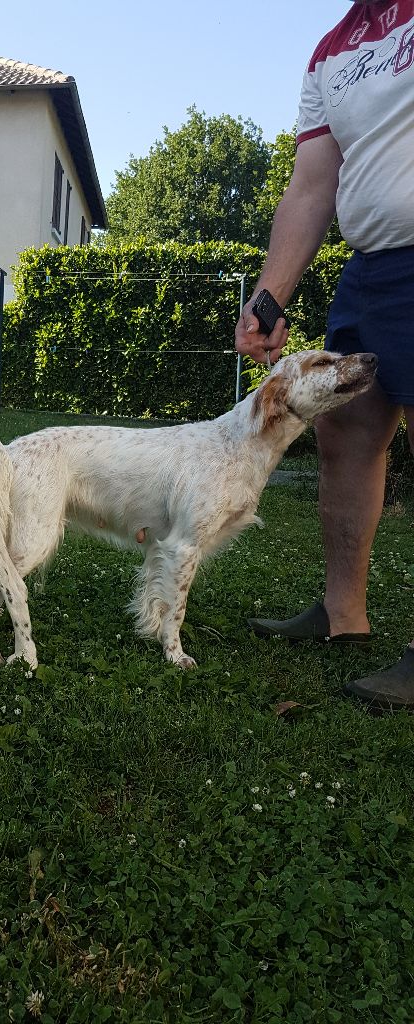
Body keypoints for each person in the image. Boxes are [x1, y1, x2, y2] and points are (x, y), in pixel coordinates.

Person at [235, 0, 414, 711]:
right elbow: (313, 183)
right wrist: (270, 296)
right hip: (372, 264)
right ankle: (344, 616)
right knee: (344, 432)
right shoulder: (332, 49)